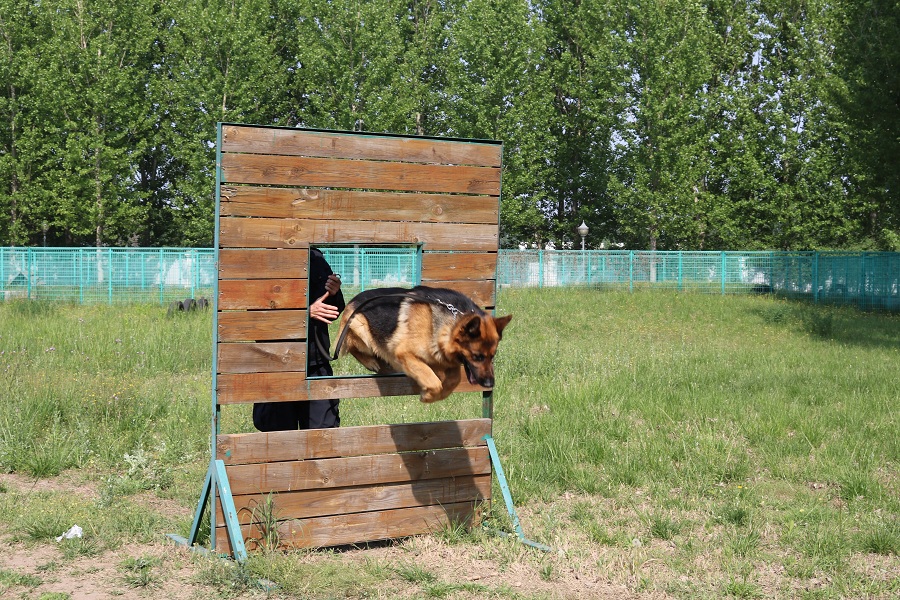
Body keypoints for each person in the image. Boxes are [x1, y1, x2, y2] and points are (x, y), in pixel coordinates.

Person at [252, 247, 345, 431]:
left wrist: (333, 293)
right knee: (278, 438)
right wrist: (305, 313)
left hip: (315, 364)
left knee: (324, 436)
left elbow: (332, 311)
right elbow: (255, 316)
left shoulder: (315, 257)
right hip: (276, 365)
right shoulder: (263, 259)